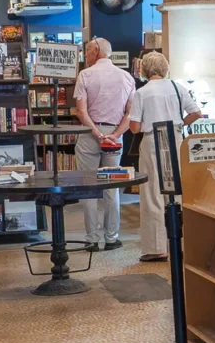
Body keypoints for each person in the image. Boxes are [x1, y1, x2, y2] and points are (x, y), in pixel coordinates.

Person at [128, 53, 202, 263]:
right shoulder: (179, 88)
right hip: (176, 138)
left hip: (152, 141)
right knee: (177, 191)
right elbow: (196, 113)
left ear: (144, 70)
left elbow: (134, 128)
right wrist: (180, 123)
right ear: (165, 67)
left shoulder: (141, 93)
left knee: (153, 192)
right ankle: (182, 242)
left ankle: (157, 247)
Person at [73, 37, 135, 252]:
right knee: (112, 187)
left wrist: (98, 133)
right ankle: (111, 237)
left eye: (88, 51)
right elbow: (130, 112)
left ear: (97, 51)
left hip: (90, 133)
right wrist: (115, 134)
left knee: (89, 186)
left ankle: (91, 239)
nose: (86, 56)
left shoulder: (85, 75)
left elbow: (81, 111)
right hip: (115, 135)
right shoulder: (126, 77)